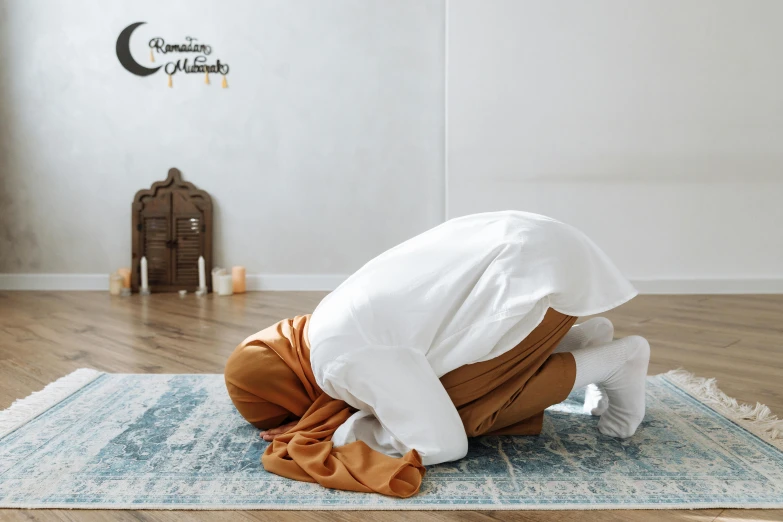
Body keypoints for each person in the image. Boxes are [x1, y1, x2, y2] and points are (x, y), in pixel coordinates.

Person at [224, 211, 650, 498]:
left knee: (463, 411)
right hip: (543, 254)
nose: (303, 420)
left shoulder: (337, 360)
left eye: (289, 415)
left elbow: (442, 444)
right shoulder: (321, 324)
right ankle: (582, 341)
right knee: (441, 382)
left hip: (531, 275)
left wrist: (339, 435)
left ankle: (617, 361)